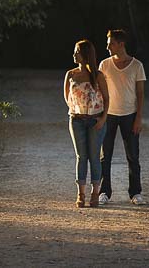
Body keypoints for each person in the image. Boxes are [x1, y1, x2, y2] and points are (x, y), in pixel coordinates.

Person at [98, 28, 146, 205]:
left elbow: (140, 93)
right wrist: (99, 114)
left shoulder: (137, 66)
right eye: (108, 43)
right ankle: (104, 192)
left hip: (130, 115)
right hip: (108, 114)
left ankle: (135, 193)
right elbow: (99, 90)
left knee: (133, 155)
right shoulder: (104, 65)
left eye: (111, 43)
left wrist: (139, 117)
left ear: (121, 44)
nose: (108, 46)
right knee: (105, 156)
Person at [63, 39, 109, 208]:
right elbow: (67, 97)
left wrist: (103, 118)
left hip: (96, 119)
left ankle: (95, 193)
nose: (74, 54)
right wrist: (76, 112)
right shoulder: (71, 74)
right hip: (76, 120)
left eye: (77, 51)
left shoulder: (97, 75)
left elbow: (107, 98)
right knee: (81, 156)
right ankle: (80, 193)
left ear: (85, 54)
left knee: (94, 157)